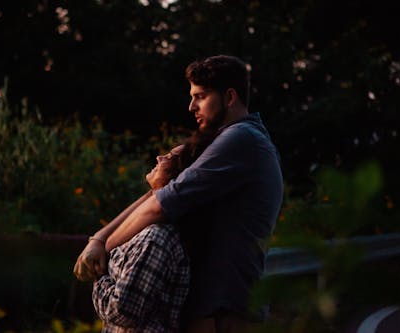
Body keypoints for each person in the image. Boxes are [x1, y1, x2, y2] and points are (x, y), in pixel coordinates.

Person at [75, 55, 284, 333]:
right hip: (214, 306)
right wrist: (98, 239)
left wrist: (102, 253)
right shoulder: (224, 140)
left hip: (225, 310)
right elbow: (158, 194)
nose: (191, 106)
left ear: (230, 96)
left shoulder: (240, 139)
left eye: (200, 96)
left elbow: (159, 205)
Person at [91, 135, 214, 333]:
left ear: (180, 179)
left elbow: (122, 311)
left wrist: (98, 275)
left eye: (170, 157)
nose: (159, 157)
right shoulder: (148, 230)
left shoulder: (157, 239)